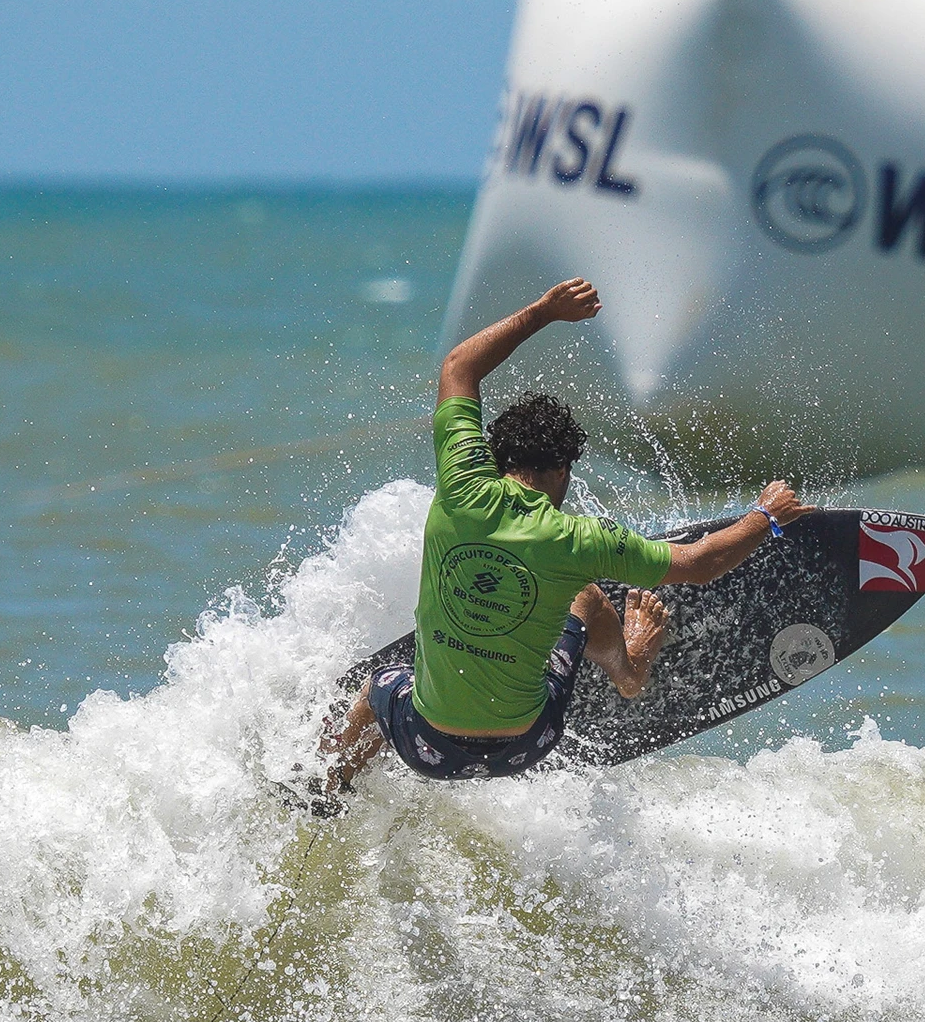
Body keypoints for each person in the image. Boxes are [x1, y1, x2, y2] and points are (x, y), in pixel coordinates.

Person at [319, 277, 812, 792]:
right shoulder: (579, 539)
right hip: (528, 743)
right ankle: (629, 672)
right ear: (563, 470)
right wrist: (765, 515)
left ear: (496, 459)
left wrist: (544, 311)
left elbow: (459, 366)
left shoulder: (460, 487)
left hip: (427, 748)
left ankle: (329, 787)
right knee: (586, 593)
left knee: (377, 688)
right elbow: (702, 563)